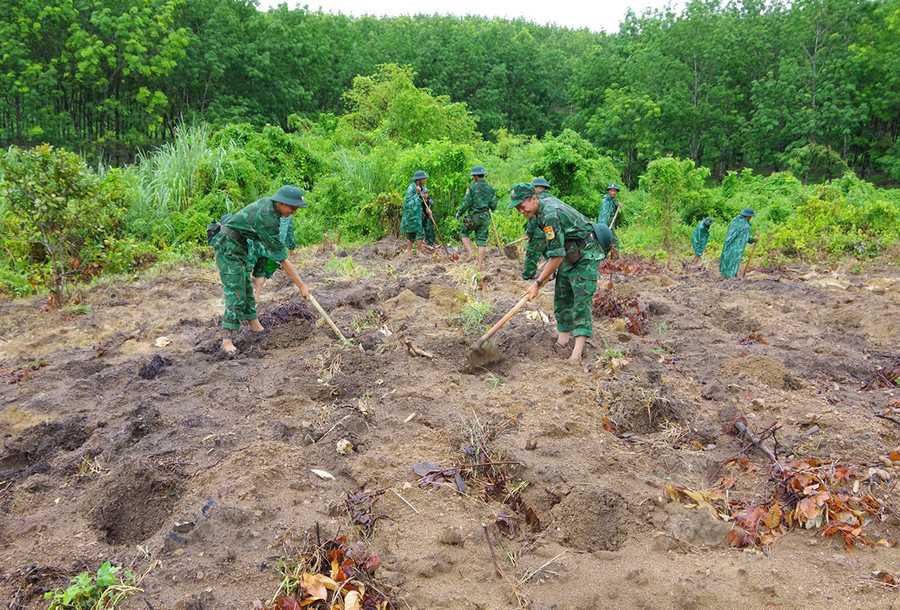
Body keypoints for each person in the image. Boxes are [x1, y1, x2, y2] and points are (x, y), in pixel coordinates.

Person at [508, 182, 612, 363]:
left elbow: (555, 257)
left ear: (534, 199)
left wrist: (537, 284)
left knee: (581, 300)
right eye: (517, 208)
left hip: (586, 253)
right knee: (562, 296)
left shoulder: (550, 215)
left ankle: (576, 354)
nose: (521, 211)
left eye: (522, 206)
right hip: (569, 253)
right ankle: (562, 343)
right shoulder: (539, 209)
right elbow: (550, 249)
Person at [210, 185, 311, 353]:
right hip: (227, 246)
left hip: (240, 246)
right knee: (235, 291)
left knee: (246, 289)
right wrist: (301, 286)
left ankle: (256, 327)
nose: (294, 212)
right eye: (292, 207)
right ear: (281, 203)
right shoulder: (267, 216)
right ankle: (226, 340)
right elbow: (282, 258)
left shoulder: (272, 209)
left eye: (296, 208)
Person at [456, 165, 497, 270]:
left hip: (473, 217)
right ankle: (479, 264)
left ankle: (471, 253)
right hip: (485, 218)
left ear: (475, 176)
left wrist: (460, 212)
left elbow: (467, 202)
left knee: (463, 233)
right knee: (482, 241)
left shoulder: (472, 187)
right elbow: (493, 206)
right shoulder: (491, 188)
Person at [248, 214, 297, 302]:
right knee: (260, 271)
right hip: (272, 248)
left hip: (256, 244)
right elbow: (289, 233)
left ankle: (244, 297)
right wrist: (291, 247)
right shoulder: (287, 216)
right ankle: (256, 297)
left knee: (245, 269)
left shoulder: (267, 210)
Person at [522, 177, 552, 280]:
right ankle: (553, 273)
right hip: (550, 232)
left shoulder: (536, 200)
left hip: (538, 233)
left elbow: (532, 218)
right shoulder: (551, 198)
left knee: (531, 255)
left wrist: (529, 233)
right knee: (550, 253)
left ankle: (528, 276)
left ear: (538, 188)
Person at [719, 207, 758, 279]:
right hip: (736, 248)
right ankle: (731, 276)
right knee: (734, 260)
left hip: (728, 244)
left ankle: (725, 275)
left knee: (727, 259)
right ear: (749, 217)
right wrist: (754, 240)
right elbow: (745, 239)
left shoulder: (735, 221)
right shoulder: (746, 226)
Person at [401, 170, 429, 258]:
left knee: (420, 232)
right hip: (411, 215)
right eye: (423, 178)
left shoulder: (423, 188)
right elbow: (409, 203)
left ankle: (418, 251)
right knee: (412, 232)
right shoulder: (411, 188)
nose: (425, 180)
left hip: (419, 214)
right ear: (418, 179)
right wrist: (417, 194)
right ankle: (412, 251)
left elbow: (423, 201)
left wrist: (426, 202)